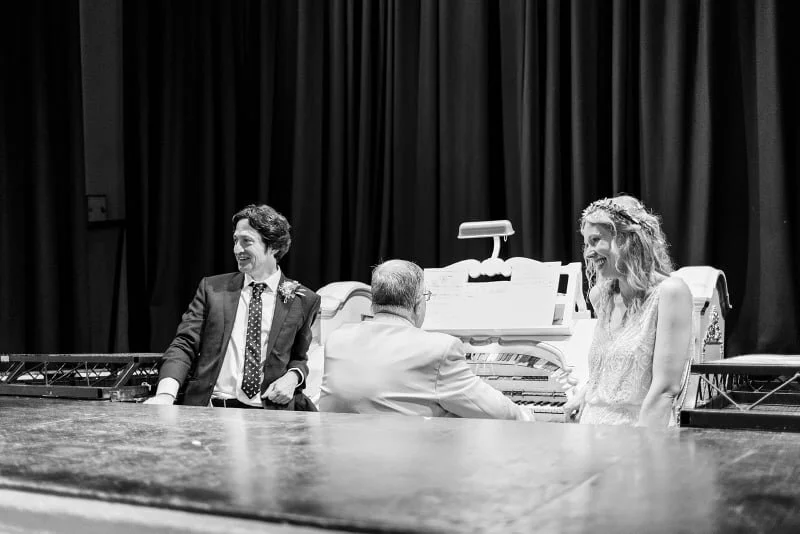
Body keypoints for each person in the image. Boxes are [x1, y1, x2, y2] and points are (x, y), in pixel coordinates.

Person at [144, 204, 321, 410]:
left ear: (273, 246)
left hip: (271, 415)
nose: (237, 249)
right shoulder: (212, 289)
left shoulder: (303, 299)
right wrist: (165, 395)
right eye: (236, 240)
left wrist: (294, 377)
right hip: (214, 410)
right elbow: (184, 345)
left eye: (247, 241)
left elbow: (298, 358)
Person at [318, 259, 534, 421]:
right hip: (407, 465)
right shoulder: (438, 349)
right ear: (418, 303)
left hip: (339, 459)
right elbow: (495, 412)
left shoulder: (337, 339)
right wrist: (526, 415)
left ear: (373, 302)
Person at [563, 195, 693, 427]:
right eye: (586, 244)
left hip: (637, 435)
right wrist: (584, 394)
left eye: (595, 240)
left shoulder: (670, 292)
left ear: (627, 239)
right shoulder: (600, 296)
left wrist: (638, 445)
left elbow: (665, 390)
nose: (588, 253)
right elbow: (609, 371)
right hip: (590, 435)